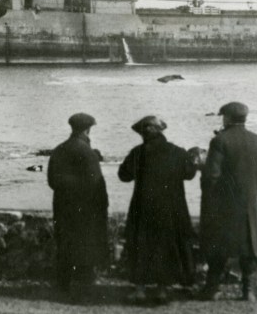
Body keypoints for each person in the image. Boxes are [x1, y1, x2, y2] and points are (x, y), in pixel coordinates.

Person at [118, 115, 200, 305]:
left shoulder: (137, 153)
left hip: (143, 207)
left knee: (141, 245)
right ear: (161, 131)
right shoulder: (177, 152)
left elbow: (123, 175)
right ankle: (162, 290)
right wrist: (194, 160)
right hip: (171, 208)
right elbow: (189, 174)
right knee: (166, 246)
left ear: (143, 134)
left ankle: (139, 290)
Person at [199, 102, 257, 301]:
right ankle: (248, 291)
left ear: (227, 118)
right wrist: (251, 194)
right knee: (248, 248)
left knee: (218, 247)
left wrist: (215, 198)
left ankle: (211, 289)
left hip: (223, 205)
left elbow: (211, 177)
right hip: (248, 205)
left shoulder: (220, 141)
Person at [47, 113, 108, 301]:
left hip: (62, 205)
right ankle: (84, 286)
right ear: (88, 129)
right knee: (85, 244)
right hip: (85, 207)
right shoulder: (87, 152)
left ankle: (63, 283)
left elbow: (52, 181)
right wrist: (101, 205)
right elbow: (96, 183)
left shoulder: (59, 149)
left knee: (64, 242)